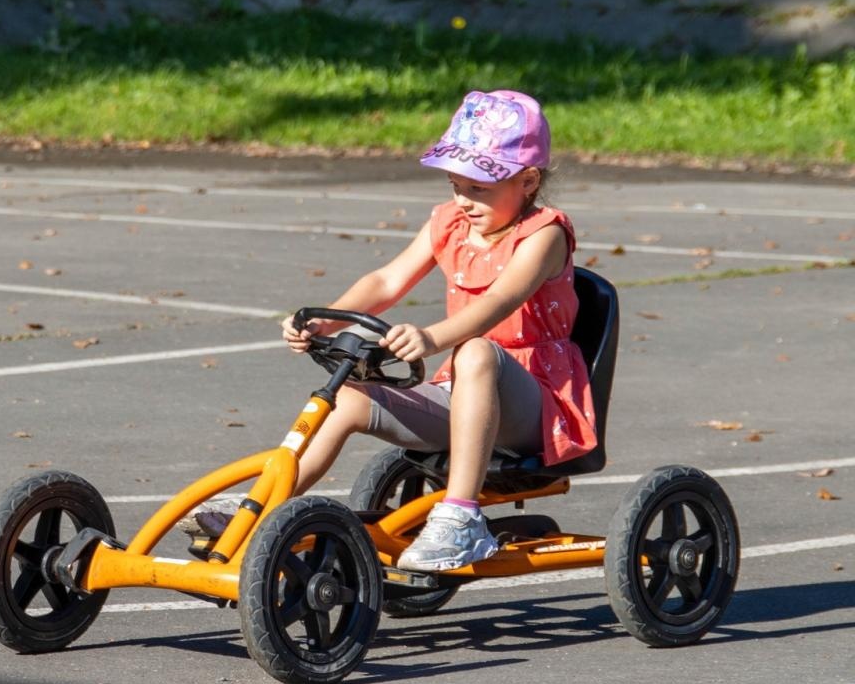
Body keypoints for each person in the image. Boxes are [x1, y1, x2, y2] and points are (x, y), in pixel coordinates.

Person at [196, 89, 597, 572]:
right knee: (348, 397)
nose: (463, 201)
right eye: (455, 185)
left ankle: (461, 518)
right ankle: (260, 509)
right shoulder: (450, 223)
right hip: (465, 390)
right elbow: (386, 279)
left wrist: (432, 338)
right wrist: (327, 318)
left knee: (474, 352)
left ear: (528, 180)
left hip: (538, 410)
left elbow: (500, 300)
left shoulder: (544, 234)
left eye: (479, 189)